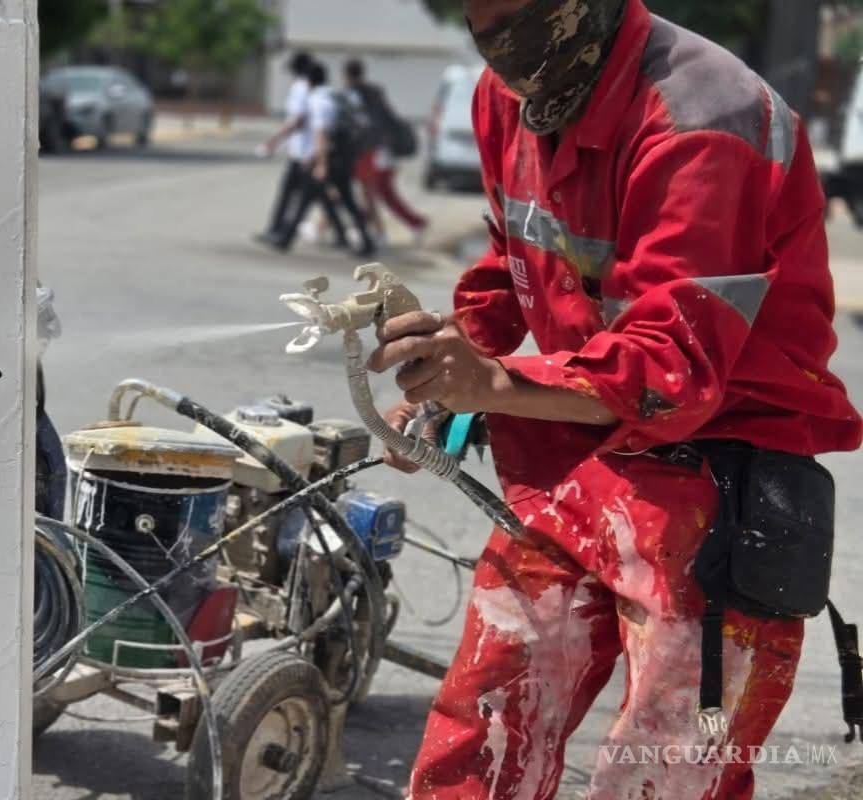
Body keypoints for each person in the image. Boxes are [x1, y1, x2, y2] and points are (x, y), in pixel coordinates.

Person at [367, 1, 863, 798]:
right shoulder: (511, 96)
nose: (496, 45)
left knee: (665, 769)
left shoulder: (705, 119)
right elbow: (517, 255)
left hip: (714, 482)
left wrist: (493, 383)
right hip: (579, 458)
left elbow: (673, 367)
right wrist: (445, 377)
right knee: (484, 730)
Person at [274, 62, 375, 257]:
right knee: (346, 201)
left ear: (309, 82)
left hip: (329, 158)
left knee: (308, 198)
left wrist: (320, 163)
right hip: (344, 157)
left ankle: (286, 238)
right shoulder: (336, 96)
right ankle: (363, 240)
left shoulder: (318, 100)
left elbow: (321, 133)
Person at [257, 51, 342, 246]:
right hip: (310, 150)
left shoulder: (300, 88)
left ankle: (279, 230)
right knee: (314, 194)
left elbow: (299, 120)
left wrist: (275, 141)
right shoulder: (316, 89)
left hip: (304, 151)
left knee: (294, 194)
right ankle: (340, 233)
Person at [343, 59, 430, 248]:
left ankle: (376, 231)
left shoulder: (355, 95)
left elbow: (363, 126)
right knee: (378, 193)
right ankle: (367, 228)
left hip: (372, 152)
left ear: (346, 75)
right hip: (384, 151)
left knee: (373, 193)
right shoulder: (375, 92)